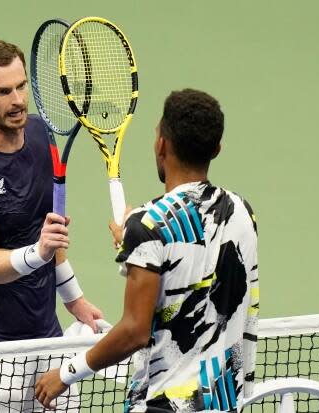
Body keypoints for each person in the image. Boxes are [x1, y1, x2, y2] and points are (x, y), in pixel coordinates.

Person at [36, 89, 259, 412]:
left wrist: (67, 372)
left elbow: (134, 332)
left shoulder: (148, 225)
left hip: (164, 404)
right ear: (217, 149)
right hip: (225, 402)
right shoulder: (241, 210)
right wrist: (137, 245)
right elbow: (200, 263)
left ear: (162, 145)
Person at [0, 40, 102, 411]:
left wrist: (74, 300)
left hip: (46, 337)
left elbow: (49, 237)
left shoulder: (43, 136)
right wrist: (38, 251)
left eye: (22, 86)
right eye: (4, 91)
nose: (18, 101)